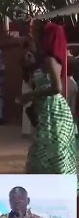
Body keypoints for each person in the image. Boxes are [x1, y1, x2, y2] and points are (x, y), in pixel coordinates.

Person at [19, 21, 77, 181]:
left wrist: (29, 96)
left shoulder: (50, 60)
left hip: (54, 110)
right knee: (44, 154)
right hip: (46, 111)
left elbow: (56, 88)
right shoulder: (42, 60)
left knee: (50, 155)